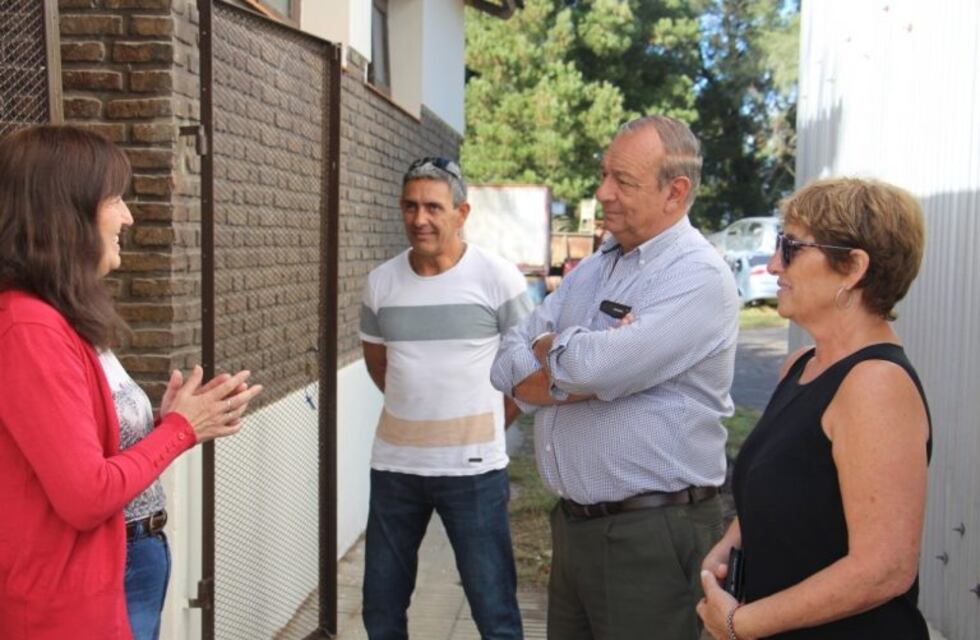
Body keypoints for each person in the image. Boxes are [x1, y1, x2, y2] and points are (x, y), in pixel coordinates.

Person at [0, 125, 263, 640]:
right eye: (114, 199)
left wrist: (173, 422)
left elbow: (74, 447)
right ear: (65, 214)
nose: (127, 217)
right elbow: (84, 494)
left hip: (111, 566)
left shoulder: (60, 315)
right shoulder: (29, 328)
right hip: (63, 601)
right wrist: (180, 430)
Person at [491, 115, 740, 639]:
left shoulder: (696, 276)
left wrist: (575, 360)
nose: (603, 192)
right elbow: (506, 362)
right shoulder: (600, 263)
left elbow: (594, 367)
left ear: (676, 192)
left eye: (622, 181)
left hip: (648, 536)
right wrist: (583, 361)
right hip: (578, 527)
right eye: (604, 174)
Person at [697, 178, 931, 640]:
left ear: (853, 268)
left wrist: (740, 623)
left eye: (792, 247)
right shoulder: (801, 366)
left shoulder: (875, 385)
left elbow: (884, 569)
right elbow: (790, 486)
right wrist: (732, 541)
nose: (774, 264)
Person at [359, 157, 529, 639]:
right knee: (381, 608)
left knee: (494, 611)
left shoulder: (498, 278)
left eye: (433, 207)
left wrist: (488, 426)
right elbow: (380, 366)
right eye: (410, 207)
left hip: (473, 471)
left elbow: (527, 372)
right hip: (395, 469)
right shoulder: (380, 284)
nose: (420, 219)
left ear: (461, 212)